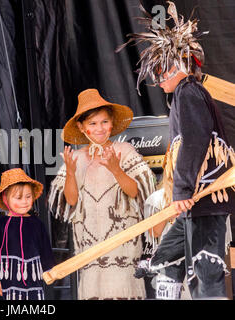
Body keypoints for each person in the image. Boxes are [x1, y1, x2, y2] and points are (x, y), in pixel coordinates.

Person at [117, 1, 234, 299]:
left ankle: (165, 265)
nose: (157, 81)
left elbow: (194, 142)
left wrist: (182, 189)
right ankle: (160, 261)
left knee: (206, 270)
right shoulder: (188, 94)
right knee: (177, 244)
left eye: (159, 72)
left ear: (175, 65)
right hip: (199, 201)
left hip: (206, 196)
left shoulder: (188, 92)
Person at [48, 89, 156, 300]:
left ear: (112, 123)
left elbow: (136, 192)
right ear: (81, 127)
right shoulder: (76, 157)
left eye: (104, 122)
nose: (100, 128)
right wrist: (70, 172)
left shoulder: (124, 150)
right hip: (90, 252)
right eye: (93, 123)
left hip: (122, 249)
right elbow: (70, 201)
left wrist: (116, 168)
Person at [0, 168, 55, 300]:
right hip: (9, 282)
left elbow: (45, 251)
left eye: (28, 197)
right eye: (18, 197)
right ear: (5, 198)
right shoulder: (0, 225)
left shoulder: (37, 224)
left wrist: (50, 271)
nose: (24, 201)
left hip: (34, 281)